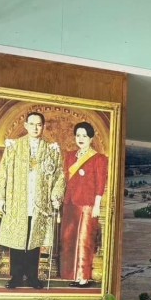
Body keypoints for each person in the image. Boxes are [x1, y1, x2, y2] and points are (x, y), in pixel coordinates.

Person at [0, 111, 65, 289]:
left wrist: (56, 196)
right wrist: (0, 197)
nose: (35, 128)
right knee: (18, 239)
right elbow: (2, 173)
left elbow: (59, 176)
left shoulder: (51, 150)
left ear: (43, 127)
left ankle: (32, 277)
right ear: (25, 125)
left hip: (39, 202)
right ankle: (16, 276)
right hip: (18, 200)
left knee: (34, 240)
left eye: (39, 124)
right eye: (32, 124)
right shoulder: (14, 146)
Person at [59, 122, 108, 287]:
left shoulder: (99, 158)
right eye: (78, 135)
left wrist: (97, 205)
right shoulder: (70, 156)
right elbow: (65, 179)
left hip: (87, 205)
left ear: (91, 138)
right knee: (69, 239)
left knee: (84, 241)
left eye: (84, 136)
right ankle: (72, 275)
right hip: (70, 203)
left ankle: (84, 277)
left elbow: (100, 183)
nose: (80, 138)